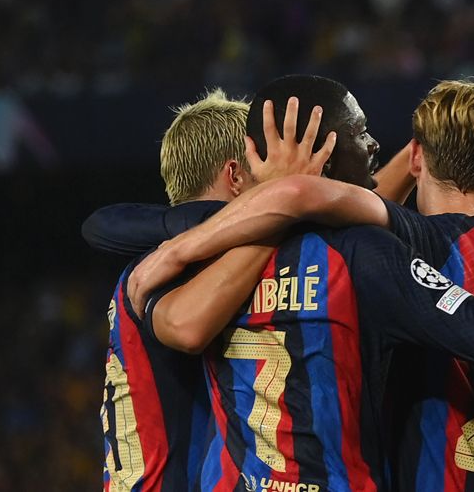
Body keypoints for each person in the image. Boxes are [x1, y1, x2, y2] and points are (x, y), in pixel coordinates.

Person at [115, 76, 474, 490]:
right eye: (361, 133)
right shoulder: (371, 256)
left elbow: (158, 289)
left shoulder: (171, 265)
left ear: (418, 156)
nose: (375, 144)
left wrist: (181, 248)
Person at [96, 88, 332, 492]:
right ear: (236, 177)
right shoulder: (193, 268)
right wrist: (282, 210)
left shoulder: (156, 261)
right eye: (264, 171)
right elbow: (189, 327)